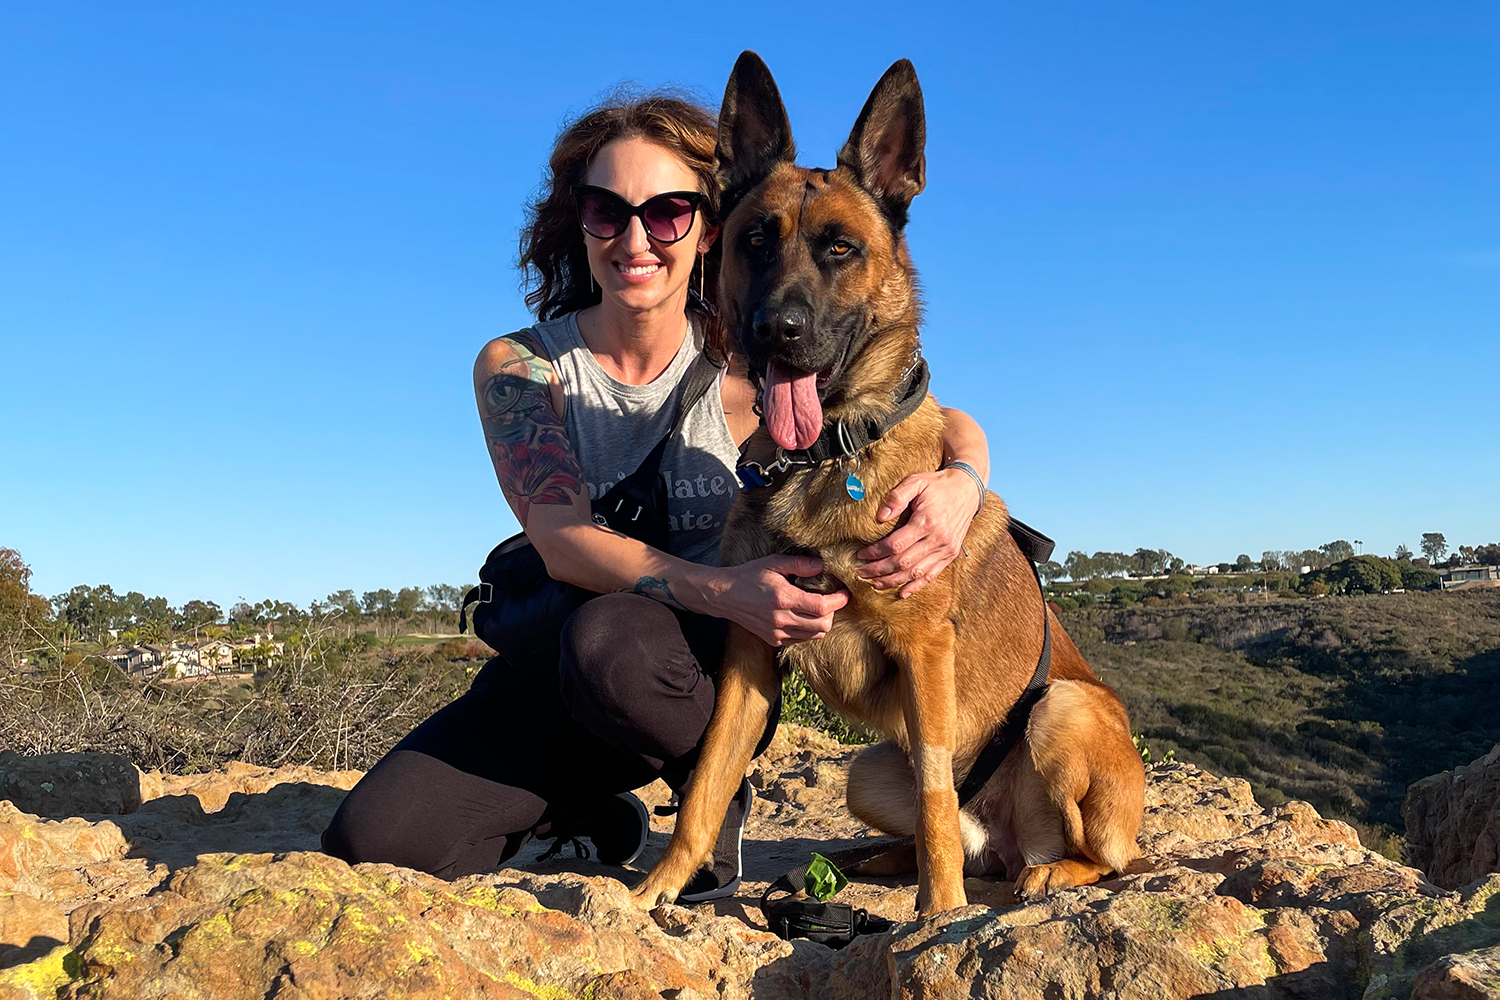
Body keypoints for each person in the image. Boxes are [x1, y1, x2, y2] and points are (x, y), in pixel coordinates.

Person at [321, 90, 993, 901]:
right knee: (373, 844)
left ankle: (709, 799)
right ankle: (585, 810)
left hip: (677, 678)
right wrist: (729, 589)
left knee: (617, 644)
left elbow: (930, 416)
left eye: (669, 212)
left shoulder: (756, 371)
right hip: (558, 668)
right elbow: (560, 537)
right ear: (580, 223)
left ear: (707, 228)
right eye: (608, 211)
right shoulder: (522, 367)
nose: (636, 238)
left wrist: (963, 484)